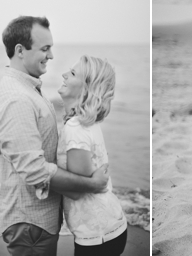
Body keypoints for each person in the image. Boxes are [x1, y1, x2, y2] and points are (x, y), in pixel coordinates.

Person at [0, 16, 109, 256]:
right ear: (20, 51)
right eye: (45, 49)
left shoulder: (29, 89)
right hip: (30, 222)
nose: (52, 55)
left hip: (36, 221)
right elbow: (34, 169)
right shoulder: (17, 99)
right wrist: (91, 184)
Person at [56, 55, 128, 255]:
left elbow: (76, 189)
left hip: (97, 235)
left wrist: (40, 173)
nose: (63, 75)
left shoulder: (76, 127)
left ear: (87, 88)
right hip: (107, 228)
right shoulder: (86, 122)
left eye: (71, 73)